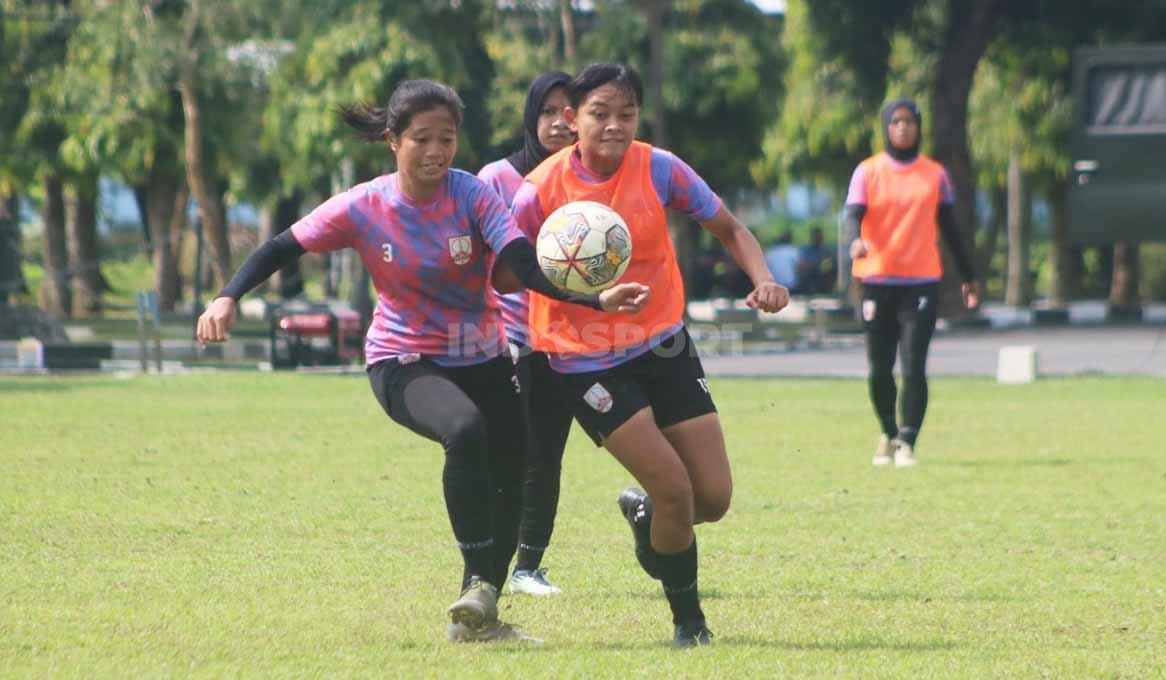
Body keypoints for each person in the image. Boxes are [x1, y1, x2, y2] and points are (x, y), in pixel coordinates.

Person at [194, 79, 648, 643]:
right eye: (422, 139)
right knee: (464, 429)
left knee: (514, 473)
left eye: (447, 139)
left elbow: (522, 263)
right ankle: (478, 581)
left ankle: (479, 609)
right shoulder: (365, 205)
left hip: (483, 358)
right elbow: (280, 247)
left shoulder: (473, 195)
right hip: (402, 359)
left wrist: (593, 298)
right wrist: (227, 296)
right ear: (393, 141)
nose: (436, 151)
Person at [510, 63, 789, 647]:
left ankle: (646, 519)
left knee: (712, 498)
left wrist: (763, 278)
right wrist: (565, 273)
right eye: (600, 114)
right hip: (584, 360)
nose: (614, 125)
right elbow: (504, 274)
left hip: (664, 344)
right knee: (675, 491)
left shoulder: (659, 167)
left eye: (627, 114)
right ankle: (690, 623)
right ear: (572, 119)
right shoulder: (539, 188)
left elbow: (730, 228)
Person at [477, 71, 576, 596]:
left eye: (569, 112)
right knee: (512, 452)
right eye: (548, 111)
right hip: (510, 337)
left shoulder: (586, 180)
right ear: (531, 117)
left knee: (548, 453)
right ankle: (490, 559)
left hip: (568, 339)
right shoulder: (497, 178)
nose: (560, 123)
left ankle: (528, 567)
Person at [842, 97, 980, 468]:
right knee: (879, 368)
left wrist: (968, 277)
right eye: (896, 121)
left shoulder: (935, 174)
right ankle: (888, 431)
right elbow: (852, 215)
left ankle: (907, 441)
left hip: (920, 283)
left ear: (918, 127)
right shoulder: (867, 171)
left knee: (914, 364)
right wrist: (854, 241)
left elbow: (951, 229)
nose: (903, 128)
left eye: (909, 121)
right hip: (876, 280)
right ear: (886, 127)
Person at [795, 227, 834, 295]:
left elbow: (830, 264)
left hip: (823, 276)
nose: (817, 238)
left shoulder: (827, 250)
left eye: (819, 236)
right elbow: (802, 264)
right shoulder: (806, 250)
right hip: (810, 276)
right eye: (815, 236)